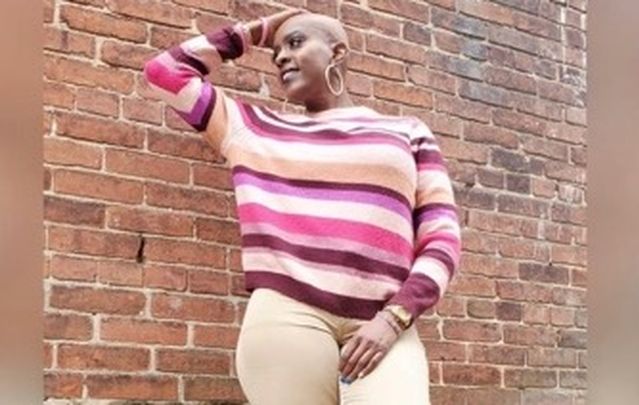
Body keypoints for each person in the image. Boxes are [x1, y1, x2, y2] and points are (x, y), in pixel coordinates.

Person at [142, 9, 461, 405]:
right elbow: (164, 72)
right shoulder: (251, 128)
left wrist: (396, 316)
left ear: (337, 52)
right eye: (276, 52)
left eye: (295, 43)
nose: (280, 57)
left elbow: (442, 238)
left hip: (386, 319)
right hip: (287, 314)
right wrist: (255, 32)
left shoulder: (406, 132)